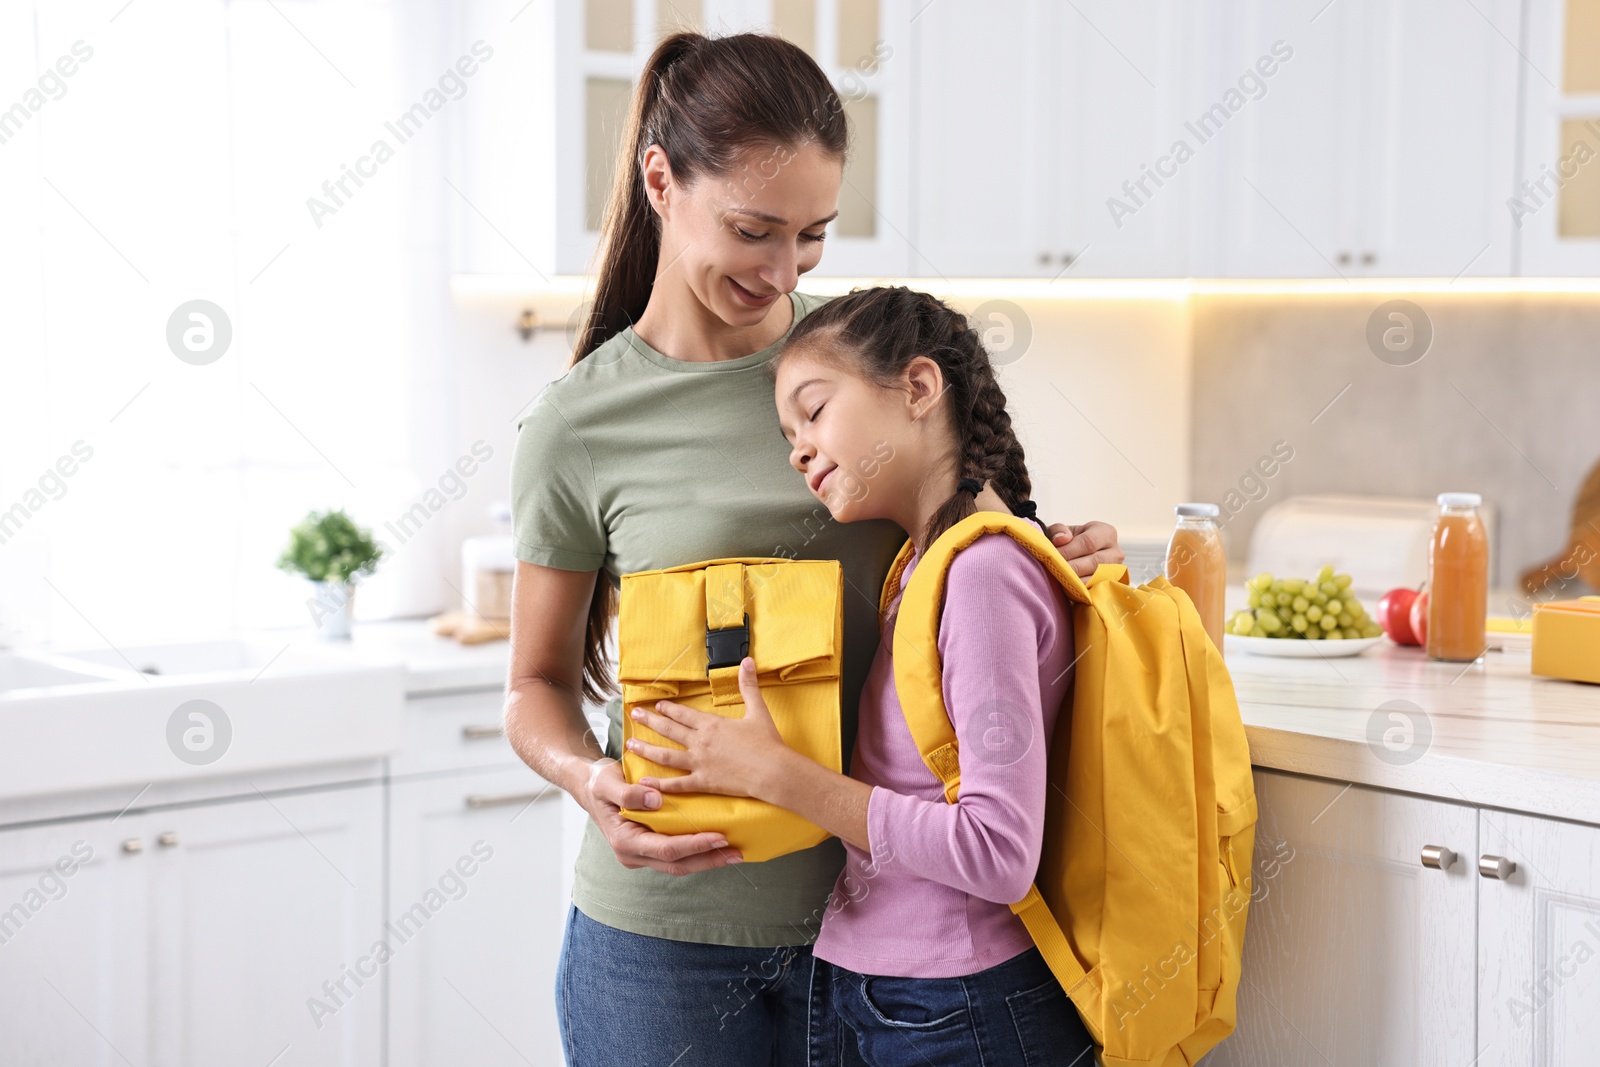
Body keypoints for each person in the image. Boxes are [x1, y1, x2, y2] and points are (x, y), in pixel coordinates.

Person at [503, 31, 1123, 1067]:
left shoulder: (858, 362)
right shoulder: (576, 424)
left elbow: (966, 563)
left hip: (895, 946)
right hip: (661, 943)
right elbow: (532, 681)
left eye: (813, 235)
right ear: (661, 179)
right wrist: (583, 776)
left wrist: (1061, 560)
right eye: (753, 229)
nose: (782, 269)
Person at [625, 285, 1099, 1065]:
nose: (797, 449)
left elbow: (998, 852)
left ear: (917, 387)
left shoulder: (981, 573)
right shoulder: (923, 564)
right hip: (891, 993)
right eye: (788, 432)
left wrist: (780, 776)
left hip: (954, 1008)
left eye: (813, 410)